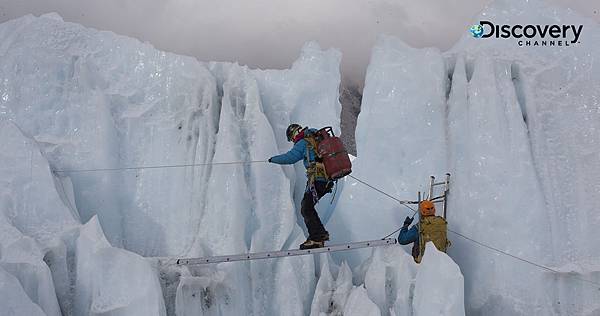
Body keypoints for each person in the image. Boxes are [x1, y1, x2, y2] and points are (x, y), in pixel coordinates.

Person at [268, 123, 333, 249]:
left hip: (318, 179)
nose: (293, 141)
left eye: (292, 138)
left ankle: (317, 237)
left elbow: (290, 158)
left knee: (306, 207)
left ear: (294, 134)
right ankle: (318, 235)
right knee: (307, 206)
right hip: (326, 179)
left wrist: (272, 159)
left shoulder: (303, 142)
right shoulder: (315, 137)